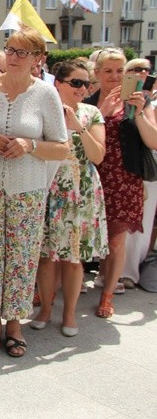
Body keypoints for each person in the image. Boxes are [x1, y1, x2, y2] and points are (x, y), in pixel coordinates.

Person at [0, 26, 69, 358]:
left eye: (21, 52)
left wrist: (29, 144)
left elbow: (62, 148)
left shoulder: (45, 94)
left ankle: (15, 324)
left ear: (38, 59)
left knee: (21, 260)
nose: (12, 57)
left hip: (27, 191)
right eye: (10, 50)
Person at [32, 60, 108, 337]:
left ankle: (70, 313)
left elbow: (98, 155)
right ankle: (45, 310)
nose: (82, 88)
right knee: (46, 256)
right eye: (76, 82)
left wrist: (77, 125)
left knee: (74, 259)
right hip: (49, 184)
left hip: (80, 189)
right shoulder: (43, 108)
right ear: (59, 83)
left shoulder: (92, 112)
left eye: (86, 83)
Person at [85, 51, 157, 317]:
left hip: (124, 179)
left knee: (116, 241)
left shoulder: (140, 102)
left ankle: (107, 295)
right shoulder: (89, 100)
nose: (115, 77)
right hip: (92, 176)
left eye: (120, 72)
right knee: (85, 235)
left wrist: (138, 113)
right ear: (97, 73)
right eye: (108, 71)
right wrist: (100, 113)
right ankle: (73, 282)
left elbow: (153, 141)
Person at [122, 59, 157, 289]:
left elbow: (153, 140)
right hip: (112, 170)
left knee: (138, 227)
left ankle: (129, 273)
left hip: (141, 171)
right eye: (136, 69)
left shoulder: (148, 105)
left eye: (146, 70)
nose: (142, 73)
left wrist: (139, 113)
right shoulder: (107, 100)